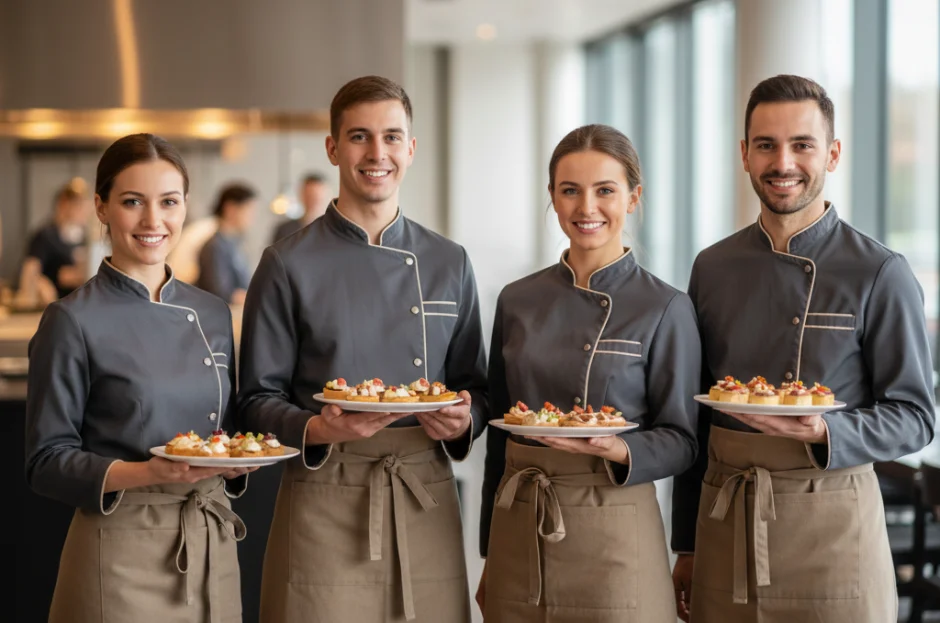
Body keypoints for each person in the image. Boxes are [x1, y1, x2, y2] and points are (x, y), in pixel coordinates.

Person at [671, 74, 935, 623]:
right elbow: (692, 423)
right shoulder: (712, 267)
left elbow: (914, 417)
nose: (782, 162)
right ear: (744, 155)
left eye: (802, 145)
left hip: (833, 529)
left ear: (833, 154)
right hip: (727, 525)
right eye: (766, 145)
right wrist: (687, 544)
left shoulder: (880, 271)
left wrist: (827, 431)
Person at [238, 75, 488, 623]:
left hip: (424, 488)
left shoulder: (450, 261)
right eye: (359, 137)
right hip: (326, 494)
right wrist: (320, 429)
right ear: (332, 147)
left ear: (411, 148)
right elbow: (255, 398)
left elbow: (477, 383)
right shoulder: (286, 264)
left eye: (392, 137)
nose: (378, 153)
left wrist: (465, 419)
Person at [25, 133, 254, 623]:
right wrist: (149, 472)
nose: (154, 221)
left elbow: (223, 433)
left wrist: (236, 462)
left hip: (211, 546)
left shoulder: (213, 313)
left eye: (168, 202)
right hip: (120, 551)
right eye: (133, 202)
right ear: (101, 207)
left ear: (186, 207)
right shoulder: (71, 320)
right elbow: (46, 460)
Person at [477, 124, 700, 622]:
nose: (586, 208)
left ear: (634, 198)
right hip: (521, 529)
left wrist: (620, 448)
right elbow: (498, 438)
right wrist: (491, 552)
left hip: (614, 530)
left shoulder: (665, 306)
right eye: (570, 191)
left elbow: (684, 439)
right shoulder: (517, 300)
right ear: (552, 198)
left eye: (605, 190)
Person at [17, 181, 90, 304]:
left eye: (83, 204)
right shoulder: (46, 235)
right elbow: (30, 271)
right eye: (76, 204)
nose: (82, 210)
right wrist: (39, 284)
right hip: (53, 305)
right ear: (62, 204)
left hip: (78, 304)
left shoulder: (85, 237)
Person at [196, 182, 257, 305]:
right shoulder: (215, 246)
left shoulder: (236, 243)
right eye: (249, 210)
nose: (253, 217)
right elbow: (219, 292)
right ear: (230, 209)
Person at [271, 172, 331, 242]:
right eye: (310, 196)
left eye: (317, 197)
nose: (314, 201)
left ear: (327, 197)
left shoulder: (335, 231)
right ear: (301, 195)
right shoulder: (285, 230)